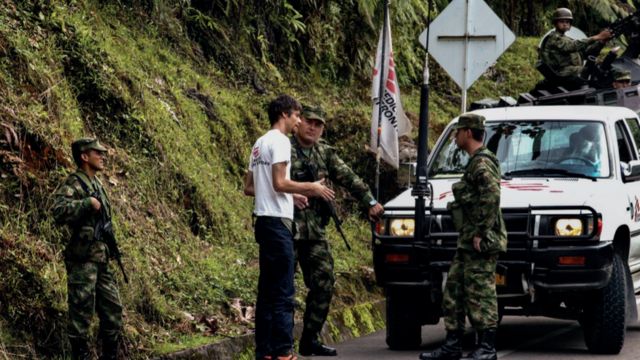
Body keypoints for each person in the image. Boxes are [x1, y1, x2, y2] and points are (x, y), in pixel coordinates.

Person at [243, 95, 335, 360]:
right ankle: (284, 351)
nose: (298, 121)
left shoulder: (259, 143)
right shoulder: (281, 141)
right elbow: (280, 182)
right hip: (278, 224)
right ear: (284, 114)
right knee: (284, 291)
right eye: (296, 115)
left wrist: (289, 196)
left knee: (267, 292)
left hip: (262, 221)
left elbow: (250, 187)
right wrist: (312, 188)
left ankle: (265, 352)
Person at [290, 105, 384, 356]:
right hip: (286, 228)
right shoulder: (283, 148)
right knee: (284, 289)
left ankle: (309, 338)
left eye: (318, 124)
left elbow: (349, 177)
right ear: (298, 122)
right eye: (309, 121)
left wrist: (370, 202)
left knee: (324, 282)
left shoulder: (325, 154)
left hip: (314, 231)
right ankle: (280, 344)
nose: (313, 127)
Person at [419, 114, 507, 360]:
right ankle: (452, 344)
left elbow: (492, 197)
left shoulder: (481, 163)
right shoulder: (476, 162)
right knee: (454, 289)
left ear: (468, 133)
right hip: (468, 240)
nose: (456, 136)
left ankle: (487, 347)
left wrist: (480, 231)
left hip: (480, 240)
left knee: (481, 292)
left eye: (458, 132)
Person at [52, 138, 123, 360]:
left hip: (100, 260)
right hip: (82, 260)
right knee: (80, 315)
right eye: (97, 153)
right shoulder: (75, 183)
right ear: (84, 156)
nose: (102, 156)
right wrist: (85, 204)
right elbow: (58, 210)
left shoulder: (98, 185)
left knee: (113, 311)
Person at [538, 7, 612, 87]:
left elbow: (585, 53)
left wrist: (601, 42)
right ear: (555, 23)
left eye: (567, 22)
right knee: (592, 71)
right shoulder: (553, 37)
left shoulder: (566, 39)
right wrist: (597, 37)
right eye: (561, 21)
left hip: (569, 69)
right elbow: (570, 46)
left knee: (600, 66)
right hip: (560, 71)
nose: (565, 24)